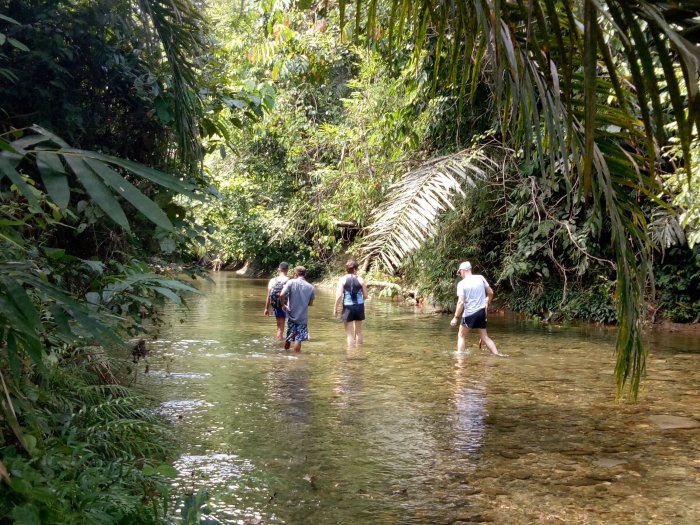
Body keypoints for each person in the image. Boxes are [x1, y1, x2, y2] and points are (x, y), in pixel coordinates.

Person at [449, 261, 505, 356]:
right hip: (481, 312)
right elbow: (491, 292)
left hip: (470, 314)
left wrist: (455, 317)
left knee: (461, 335)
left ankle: (460, 358)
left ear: (463, 270)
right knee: (485, 337)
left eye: (460, 272)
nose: (460, 274)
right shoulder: (480, 278)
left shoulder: (462, 284)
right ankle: (497, 355)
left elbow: (460, 302)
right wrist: (488, 300)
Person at [333, 259, 368, 347]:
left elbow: (339, 295)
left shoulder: (342, 279)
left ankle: (351, 353)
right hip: (359, 307)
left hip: (348, 307)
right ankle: (359, 351)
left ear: (347, 269)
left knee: (349, 334)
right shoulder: (360, 279)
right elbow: (366, 295)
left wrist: (335, 309)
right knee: (359, 332)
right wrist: (361, 302)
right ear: (355, 269)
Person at [279, 266, 315, 352]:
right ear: (305, 274)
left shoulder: (291, 282)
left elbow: (281, 294)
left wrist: (283, 305)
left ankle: (286, 352)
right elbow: (310, 303)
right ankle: (296, 359)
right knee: (298, 338)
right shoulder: (311, 287)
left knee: (290, 334)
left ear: (295, 274)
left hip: (291, 315)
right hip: (302, 317)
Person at [263, 262, 290, 341]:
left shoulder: (272, 281)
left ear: (279, 269)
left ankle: (278, 347)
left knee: (280, 329)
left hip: (278, 307)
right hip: (289, 307)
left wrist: (266, 309)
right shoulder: (290, 281)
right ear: (287, 270)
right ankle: (290, 348)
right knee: (292, 329)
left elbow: (268, 296)